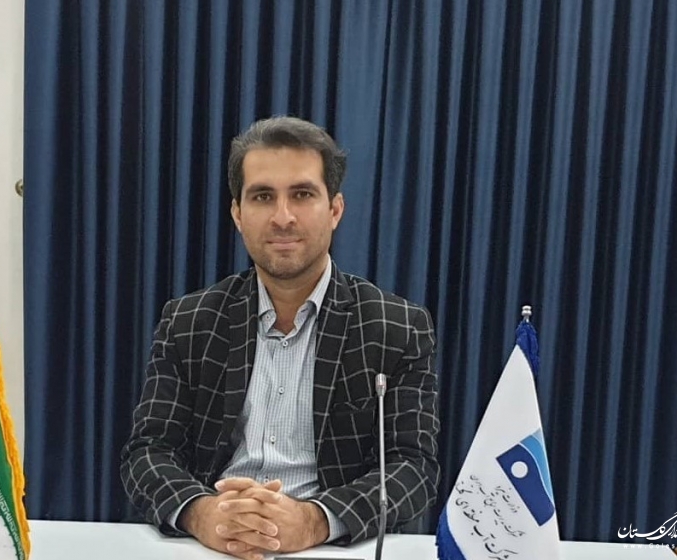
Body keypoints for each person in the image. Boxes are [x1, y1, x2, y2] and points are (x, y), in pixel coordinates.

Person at [120, 116, 440, 560]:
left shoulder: (397, 327)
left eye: (302, 194)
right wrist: (202, 513)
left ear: (335, 210)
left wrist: (314, 520)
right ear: (237, 214)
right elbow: (147, 452)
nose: (283, 217)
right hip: (214, 545)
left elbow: (413, 467)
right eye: (263, 196)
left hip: (331, 548)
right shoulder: (188, 321)